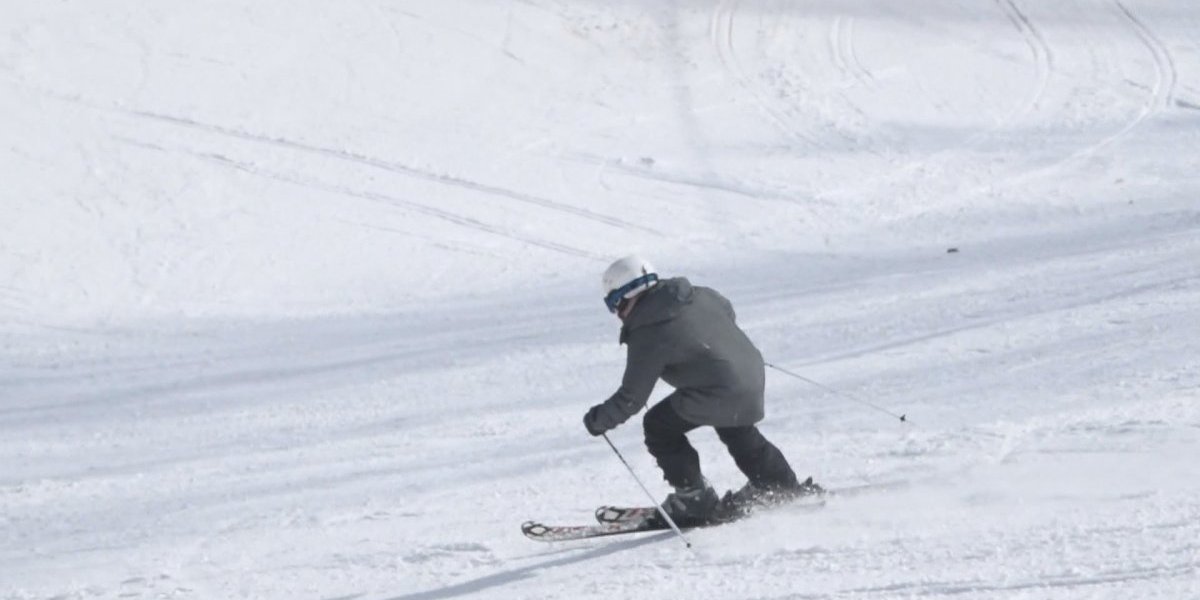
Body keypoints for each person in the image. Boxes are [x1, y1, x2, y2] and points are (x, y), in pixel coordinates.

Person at [583, 255, 821, 525]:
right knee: (736, 426)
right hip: (749, 373)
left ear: (624, 298)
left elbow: (632, 399)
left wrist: (598, 420)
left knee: (658, 425)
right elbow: (727, 310)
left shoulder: (648, 332)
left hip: (720, 387)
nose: (617, 314)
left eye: (614, 305)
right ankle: (778, 484)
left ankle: (694, 499)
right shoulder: (698, 295)